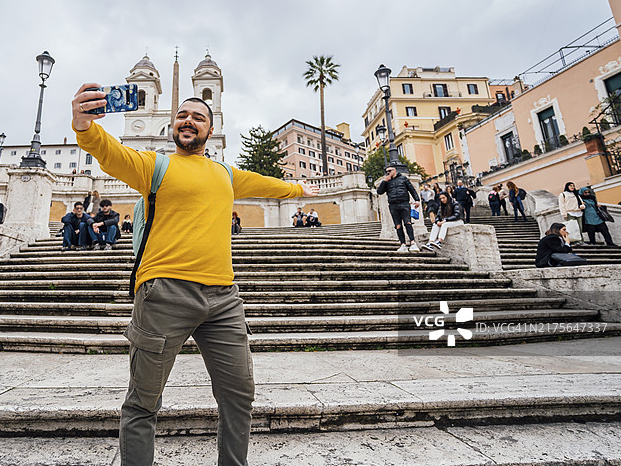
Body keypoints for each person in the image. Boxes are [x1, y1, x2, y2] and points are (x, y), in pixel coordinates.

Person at [71, 85, 318, 466]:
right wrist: (85, 126)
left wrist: (299, 187)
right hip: (163, 294)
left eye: (198, 117)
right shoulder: (155, 165)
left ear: (210, 128)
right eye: (182, 116)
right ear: (173, 126)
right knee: (142, 401)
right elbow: (110, 153)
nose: (188, 120)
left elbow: (265, 183)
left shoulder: (225, 173)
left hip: (224, 300)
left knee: (240, 396)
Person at [376, 165, 421, 253]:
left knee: (408, 223)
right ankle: (403, 244)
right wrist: (385, 181)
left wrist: (417, 200)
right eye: (387, 171)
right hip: (393, 205)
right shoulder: (386, 182)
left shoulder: (403, 178)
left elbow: (412, 189)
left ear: (394, 170)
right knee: (398, 225)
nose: (388, 173)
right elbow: (379, 192)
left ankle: (412, 243)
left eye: (390, 171)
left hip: (404, 203)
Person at [558, 181, 585, 246]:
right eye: (571, 186)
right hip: (569, 213)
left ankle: (581, 241)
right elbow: (561, 205)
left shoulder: (576, 194)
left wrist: (582, 206)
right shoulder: (563, 194)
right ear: (567, 187)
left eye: (573, 186)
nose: (572, 187)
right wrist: (564, 214)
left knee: (580, 228)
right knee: (572, 228)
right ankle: (573, 241)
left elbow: (582, 202)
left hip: (578, 212)